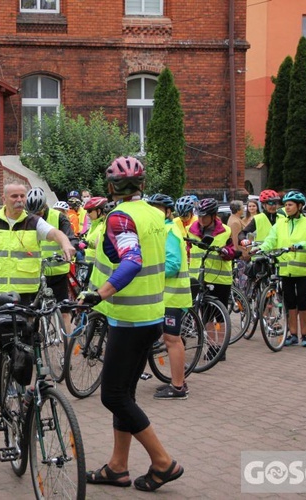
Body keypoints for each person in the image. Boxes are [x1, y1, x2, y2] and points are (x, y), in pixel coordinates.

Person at [78, 156, 182, 491]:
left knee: (113, 396)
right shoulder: (154, 213)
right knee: (126, 393)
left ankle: (163, 462)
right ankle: (117, 468)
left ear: (110, 188)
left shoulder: (120, 217)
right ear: (143, 185)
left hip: (130, 319)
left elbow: (132, 260)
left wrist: (100, 294)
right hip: (152, 315)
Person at [0, 183, 76, 405]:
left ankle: (21, 384)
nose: (19, 200)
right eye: (14, 196)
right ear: (4, 199)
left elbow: (55, 233)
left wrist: (66, 244)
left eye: (22, 196)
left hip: (25, 293)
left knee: (25, 340)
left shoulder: (34, 222)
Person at [258, 191, 306, 347]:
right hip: (286, 270)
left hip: (304, 271)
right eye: (286, 205)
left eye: (290, 205)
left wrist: (302, 245)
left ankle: (305, 335)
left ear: (299, 206)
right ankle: (293, 334)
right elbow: (271, 240)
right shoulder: (280, 224)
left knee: (303, 302)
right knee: (290, 303)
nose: (287, 207)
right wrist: (261, 248)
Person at [147, 194, 191, 400]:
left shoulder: (169, 231)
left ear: (167, 211)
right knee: (171, 339)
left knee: (172, 340)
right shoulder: (162, 229)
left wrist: (148, 272)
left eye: (158, 209)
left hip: (172, 296)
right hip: (166, 296)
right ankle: (178, 380)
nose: (154, 212)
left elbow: (172, 266)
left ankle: (178, 387)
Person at [186, 198, 235, 361]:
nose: (201, 219)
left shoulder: (225, 230)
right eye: (199, 216)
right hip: (198, 277)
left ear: (214, 216)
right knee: (206, 316)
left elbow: (232, 249)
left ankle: (220, 349)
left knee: (219, 317)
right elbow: (187, 250)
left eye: (204, 216)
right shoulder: (191, 230)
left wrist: (227, 252)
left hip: (220, 278)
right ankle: (211, 346)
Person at [25, 187, 78, 332]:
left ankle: (66, 341)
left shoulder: (59, 217)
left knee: (64, 309)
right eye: (33, 214)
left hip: (57, 270)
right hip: (35, 271)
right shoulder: (25, 219)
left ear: (45, 206)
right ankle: (32, 340)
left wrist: (70, 248)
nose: (37, 217)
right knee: (31, 310)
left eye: (39, 213)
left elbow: (70, 237)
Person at [80, 196, 108, 265]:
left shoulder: (103, 226)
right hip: (87, 265)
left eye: (89, 211)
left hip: (97, 267)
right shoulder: (94, 225)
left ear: (98, 211)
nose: (87, 214)